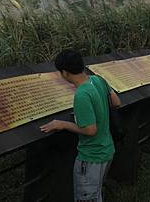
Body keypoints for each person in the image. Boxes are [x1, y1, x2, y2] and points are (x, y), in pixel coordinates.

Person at [40, 50, 121, 202]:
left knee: (88, 197)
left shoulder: (82, 95)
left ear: (64, 73)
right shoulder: (98, 80)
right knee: (96, 192)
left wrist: (62, 124)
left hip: (91, 157)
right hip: (107, 150)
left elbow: (90, 130)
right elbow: (116, 102)